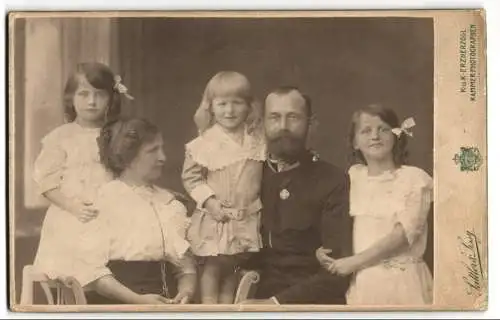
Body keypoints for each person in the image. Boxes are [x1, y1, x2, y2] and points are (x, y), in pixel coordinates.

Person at [241, 86, 353, 305]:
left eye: (293, 117)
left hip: (311, 303)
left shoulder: (332, 180)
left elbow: (337, 270)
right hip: (252, 295)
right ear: (263, 123)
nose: (283, 127)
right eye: (275, 117)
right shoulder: (249, 175)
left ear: (311, 123)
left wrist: (275, 304)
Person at [316, 104, 433, 305]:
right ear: (354, 142)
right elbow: (339, 223)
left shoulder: (414, 178)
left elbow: (403, 235)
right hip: (364, 283)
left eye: (383, 129)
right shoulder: (353, 177)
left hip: (402, 282)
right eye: (366, 130)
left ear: (397, 135)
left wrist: (353, 262)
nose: (375, 136)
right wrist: (323, 250)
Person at [72, 117, 197, 304]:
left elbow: (184, 267)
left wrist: (186, 292)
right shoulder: (103, 201)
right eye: (153, 150)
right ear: (127, 157)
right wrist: (137, 300)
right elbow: (93, 273)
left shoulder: (170, 203)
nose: (163, 157)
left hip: (166, 305)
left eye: (161, 149)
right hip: (117, 304)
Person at [32, 62, 132, 281]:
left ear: (111, 98)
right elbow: (46, 182)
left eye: (99, 95)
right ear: (71, 99)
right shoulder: (61, 137)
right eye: (83, 94)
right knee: (77, 273)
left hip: (112, 214)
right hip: (72, 215)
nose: (92, 102)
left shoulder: (119, 134)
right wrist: (73, 207)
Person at [182, 71, 267, 304]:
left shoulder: (257, 141)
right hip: (216, 216)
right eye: (222, 104)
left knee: (234, 262)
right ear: (210, 107)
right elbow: (191, 178)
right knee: (213, 263)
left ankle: (227, 305)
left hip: (244, 215)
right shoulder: (205, 143)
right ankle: (209, 306)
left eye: (237, 103)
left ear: (249, 106)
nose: (229, 111)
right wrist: (210, 202)